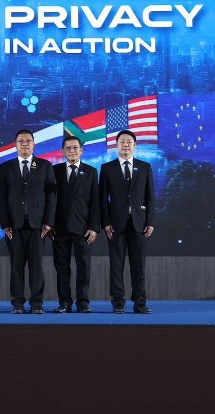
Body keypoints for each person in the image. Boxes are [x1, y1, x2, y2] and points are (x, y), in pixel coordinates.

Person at [0, 129, 56, 314]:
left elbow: (51, 195)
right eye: (21, 141)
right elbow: (1, 196)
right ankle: (17, 304)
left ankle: (37, 303)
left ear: (33, 144)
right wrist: (4, 223)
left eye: (28, 141)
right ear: (15, 145)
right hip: (14, 226)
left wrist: (48, 222)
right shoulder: (6, 167)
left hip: (38, 225)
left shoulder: (45, 166)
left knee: (36, 266)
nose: (24, 144)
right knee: (16, 266)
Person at [99, 129, 155, 314]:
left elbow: (150, 197)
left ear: (134, 145)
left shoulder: (145, 167)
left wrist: (150, 222)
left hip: (138, 224)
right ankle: (118, 303)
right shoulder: (107, 168)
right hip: (115, 225)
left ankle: (140, 303)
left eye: (129, 142)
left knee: (138, 267)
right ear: (116, 145)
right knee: (116, 267)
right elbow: (102, 199)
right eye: (122, 142)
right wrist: (106, 223)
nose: (125, 145)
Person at [51, 136, 99, 313]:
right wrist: (48, 224)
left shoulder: (91, 172)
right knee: (62, 268)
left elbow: (95, 201)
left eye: (75, 148)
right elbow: (49, 200)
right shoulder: (54, 171)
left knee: (84, 267)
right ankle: (64, 303)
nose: (72, 151)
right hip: (59, 229)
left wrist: (94, 227)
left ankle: (83, 303)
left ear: (81, 150)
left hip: (83, 229)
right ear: (63, 151)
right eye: (68, 148)